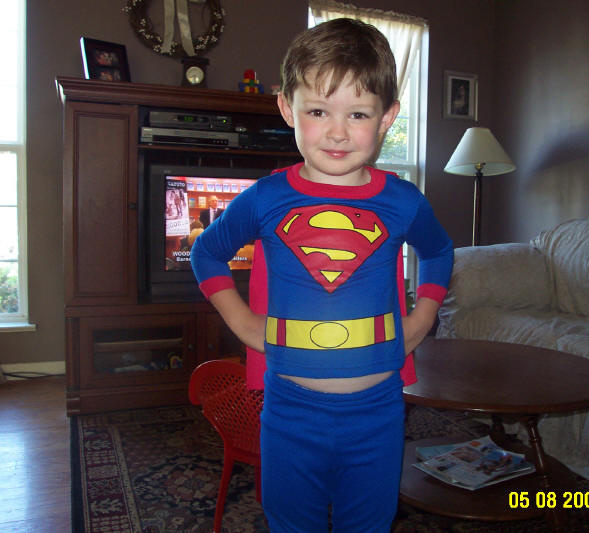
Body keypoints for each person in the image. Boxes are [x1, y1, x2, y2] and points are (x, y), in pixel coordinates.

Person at [190, 18, 453, 532]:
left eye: (358, 113)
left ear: (386, 117)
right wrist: (241, 322)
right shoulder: (265, 198)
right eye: (318, 111)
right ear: (288, 108)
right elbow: (207, 252)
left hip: (378, 411)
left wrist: (422, 318)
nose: (337, 132)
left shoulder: (403, 201)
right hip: (290, 410)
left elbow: (439, 250)